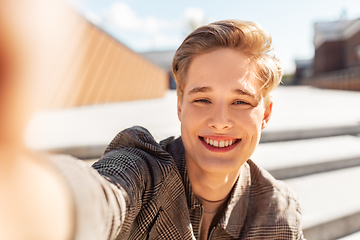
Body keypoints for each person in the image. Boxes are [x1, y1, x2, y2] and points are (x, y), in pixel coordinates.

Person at [0, 0, 304, 238]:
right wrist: (22, 190)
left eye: (240, 101)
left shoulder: (280, 213)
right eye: (202, 99)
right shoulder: (142, 172)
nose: (220, 121)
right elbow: (100, 196)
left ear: (264, 113)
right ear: (180, 107)